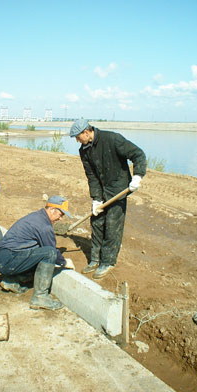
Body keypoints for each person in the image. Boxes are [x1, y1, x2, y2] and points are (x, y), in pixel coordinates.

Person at [70, 118, 146, 279]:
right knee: (96, 221)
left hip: (119, 188)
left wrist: (138, 176)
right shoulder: (84, 150)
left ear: (86, 132)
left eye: (78, 137)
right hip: (102, 190)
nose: (77, 140)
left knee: (112, 224)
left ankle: (108, 261)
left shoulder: (112, 139)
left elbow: (138, 154)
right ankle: (95, 259)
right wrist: (96, 198)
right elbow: (91, 176)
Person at [0, 196, 75, 311]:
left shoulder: (37, 217)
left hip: (4, 257)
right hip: (8, 261)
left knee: (39, 251)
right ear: (52, 210)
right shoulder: (44, 226)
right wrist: (65, 262)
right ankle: (40, 297)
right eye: (61, 215)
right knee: (50, 253)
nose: (61, 219)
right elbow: (52, 251)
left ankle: (11, 280)